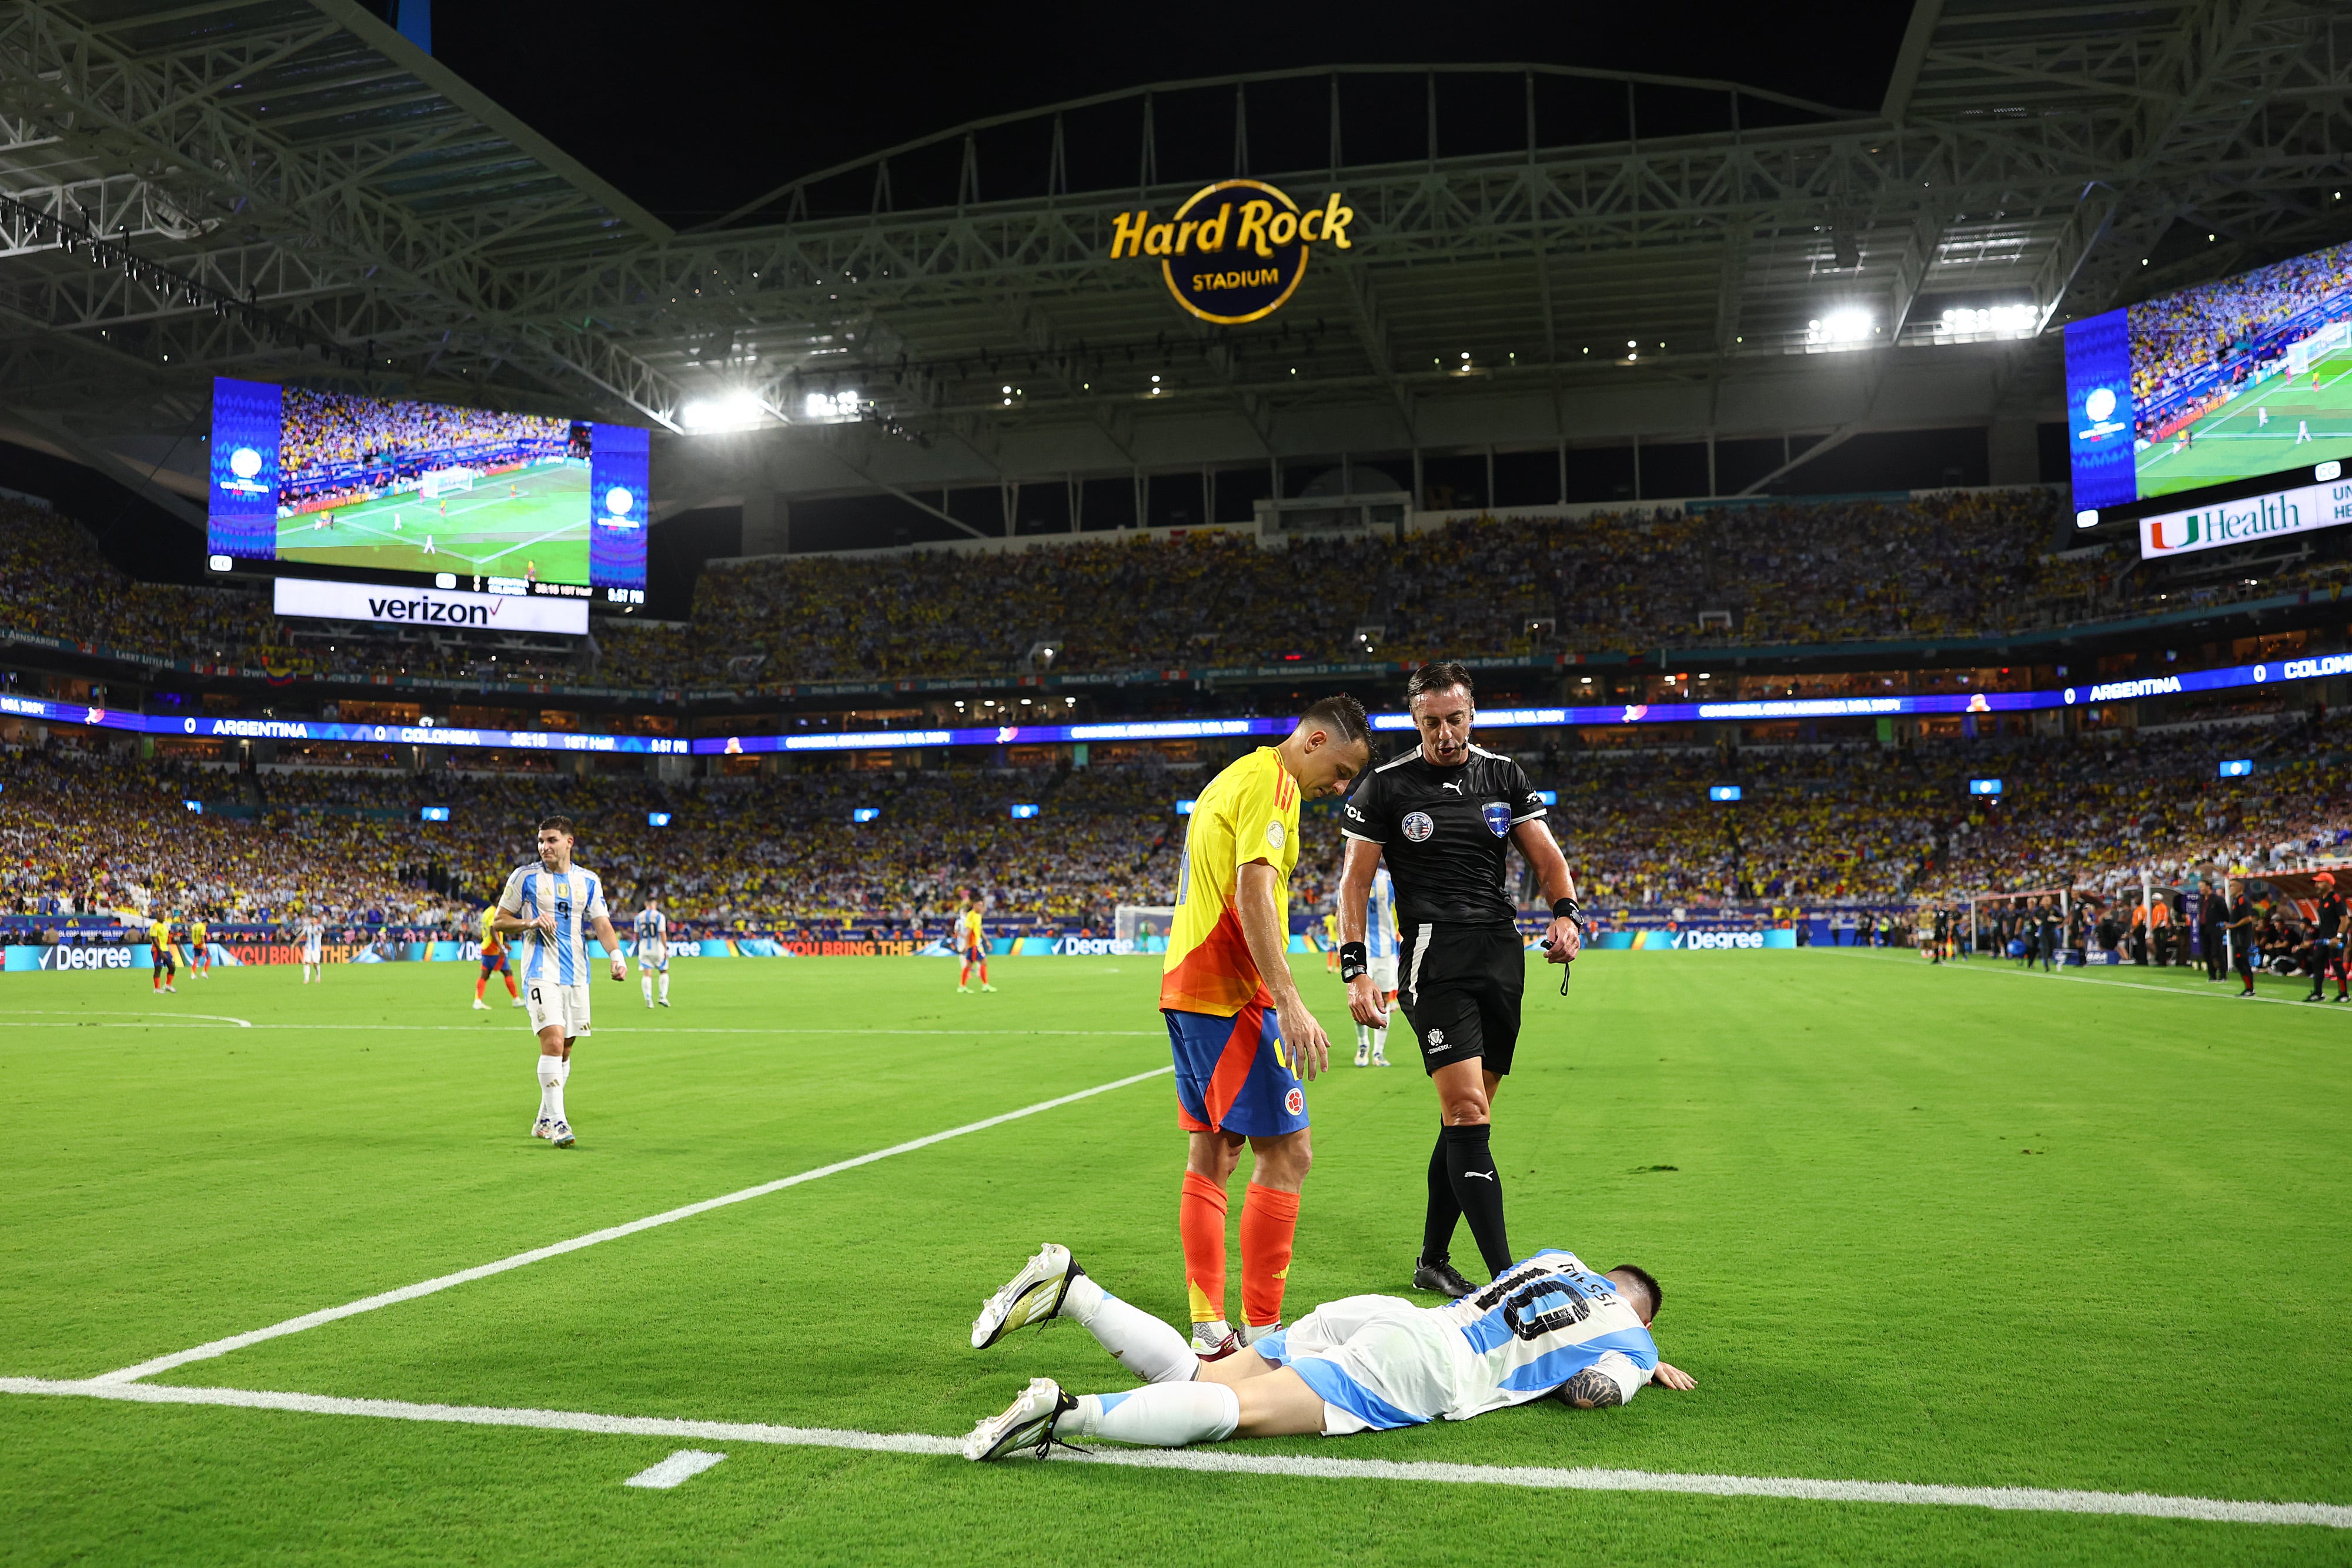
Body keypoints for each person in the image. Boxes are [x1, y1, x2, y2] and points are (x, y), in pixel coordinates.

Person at [961, 1241, 1693, 1460]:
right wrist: (1636, 1366)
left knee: (1203, 1372)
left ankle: (1076, 1292)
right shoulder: (1630, 1339)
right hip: (1425, 1369)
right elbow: (1584, 1396)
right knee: (1237, 1411)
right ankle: (1061, 1415)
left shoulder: (1558, 1258)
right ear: (1644, 1314)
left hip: (1383, 1316)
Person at [1335, 662, 1581, 1297]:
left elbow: (1546, 855)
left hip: (1501, 956)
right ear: (1414, 722)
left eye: (1455, 719)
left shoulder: (1503, 776)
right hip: (1431, 957)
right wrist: (1356, 970)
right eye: (1431, 722)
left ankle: (1431, 1260)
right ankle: (1508, 1283)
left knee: (1467, 1120)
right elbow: (1354, 886)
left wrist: (1565, 915)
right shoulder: (1384, 788)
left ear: (1471, 715)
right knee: (1466, 1109)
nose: (1444, 733)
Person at [1161, 696, 1371, 1358]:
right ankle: (1263, 1336)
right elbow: (1251, 893)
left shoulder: (1235, 776)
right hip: (1230, 995)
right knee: (1289, 1153)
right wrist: (1289, 1001)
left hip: (1187, 986)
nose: (1338, 789)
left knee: (1214, 1153)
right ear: (1313, 740)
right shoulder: (1273, 786)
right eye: (1340, 771)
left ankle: (1208, 1331)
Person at [490, 816, 627, 1149]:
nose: (544, 846)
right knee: (552, 1041)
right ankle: (559, 1123)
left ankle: (542, 1119)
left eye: (551, 840)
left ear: (569, 842)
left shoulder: (589, 881)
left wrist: (616, 955)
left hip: (578, 973)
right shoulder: (524, 877)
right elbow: (499, 921)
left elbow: (602, 924)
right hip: (540, 971)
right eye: (540, 840)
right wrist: (530, 922)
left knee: (566, 1047)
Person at [1354, 864, 1398, 1068]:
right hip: (1363, 950)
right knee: (1362, 1001)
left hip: (1386, 951)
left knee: (1384, 1002)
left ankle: (1378, 1052)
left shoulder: (1390, 879)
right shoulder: (1353, 877)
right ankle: (1363, 1046)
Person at [473, 901, 520, 1011]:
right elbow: (492, 930)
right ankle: (516, 999)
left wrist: (504, 943)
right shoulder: (494, 913)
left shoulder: (487, 912)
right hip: (493, 949)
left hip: (487, 947)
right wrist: (500, 947)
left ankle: (477, 1001)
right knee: (507, 972)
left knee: (485, 975)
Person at [2311, 873, 2347, 1002]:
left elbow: (2345, 920)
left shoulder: (2336, 898)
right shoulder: (2322, 899)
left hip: (2336, 938)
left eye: (2319, 882)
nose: (2317, 885)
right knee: (2317, 963)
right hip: (2324, 937)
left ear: (2328, 883)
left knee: (2337, 965)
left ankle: (2344, 994)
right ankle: (2318, 993)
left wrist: (2338, 937)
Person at [636, 895, 672, 1008]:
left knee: (647, 974)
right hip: (658, 948)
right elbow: (662, 933)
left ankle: (648, 999)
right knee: (663, 971)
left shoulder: (638, 917)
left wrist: (641, 945)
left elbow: (637, 935)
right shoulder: (659, 916)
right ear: (655, 905)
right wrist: (665, 948)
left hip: (644, 948)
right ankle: (662, 997)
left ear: (646, 905)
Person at [957, 892, 993, 994]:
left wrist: (987, 941)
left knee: (969, 965)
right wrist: (967, 945)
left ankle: (963, 986)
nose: (982, 908)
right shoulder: (971, 916)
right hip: (973, 945)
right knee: (982, 962)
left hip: (975, 944)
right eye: (980, 905)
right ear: (975, 905)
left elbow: (979, 930)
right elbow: (969, 932)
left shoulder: (977, 916)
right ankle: (984, 986)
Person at [148, 909, 179, 995]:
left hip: (166, 949)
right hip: (157, 950)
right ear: (157, 916)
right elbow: (154, 940)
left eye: (163, 915)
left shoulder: (165, 927)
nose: (163, 916)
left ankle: (168, 985)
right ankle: (157, 988)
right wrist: (161, 952)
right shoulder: (155, 926)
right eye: (161, 915)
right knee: (158, 968)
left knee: (172, 967)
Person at [189, 911, 211, 979]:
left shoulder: (195, 925)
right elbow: (202, 936)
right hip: (201, 944)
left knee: (196, 959)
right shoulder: (203, 927)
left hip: (195, 944)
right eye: (207, 925)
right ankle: (204, 972)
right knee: (209, 957)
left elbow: (191, 932)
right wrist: (204, 943)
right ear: (206, 923)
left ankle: (193, 974)